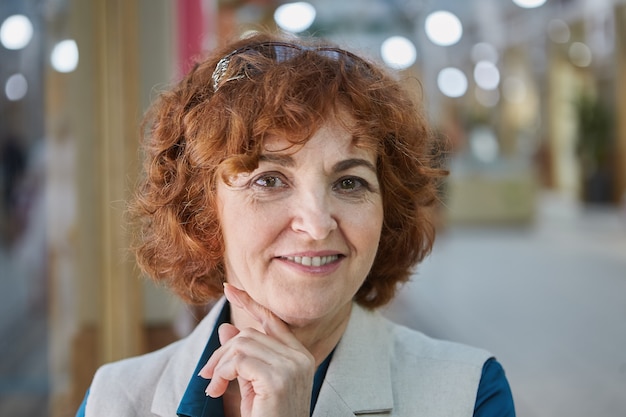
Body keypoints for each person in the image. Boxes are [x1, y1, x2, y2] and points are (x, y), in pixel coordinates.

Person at [78, 31, 515, 417]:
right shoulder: (112, 400)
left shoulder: (468, 394)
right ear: (203, 211)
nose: (317, 223)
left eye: (349, 182)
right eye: (269, 180)